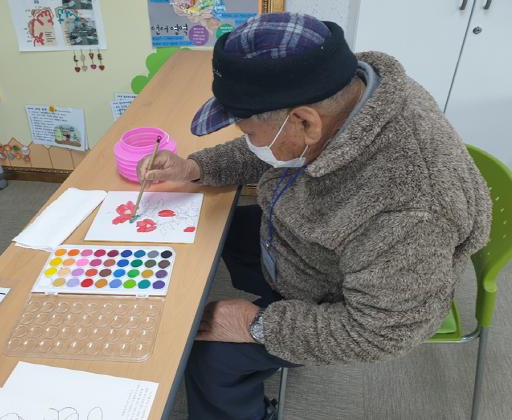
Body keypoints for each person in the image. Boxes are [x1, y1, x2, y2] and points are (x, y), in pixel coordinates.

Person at [138, 12, 492, 420]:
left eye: (247, 132)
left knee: (210, 358)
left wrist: (258, 325)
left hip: (347, 297)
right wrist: (196, 168)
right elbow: (275, 141)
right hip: (307, 239)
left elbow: (380, 333)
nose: (248, 141)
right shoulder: (343, 92)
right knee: (210, 228)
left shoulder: (410, 211)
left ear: (306, 121)